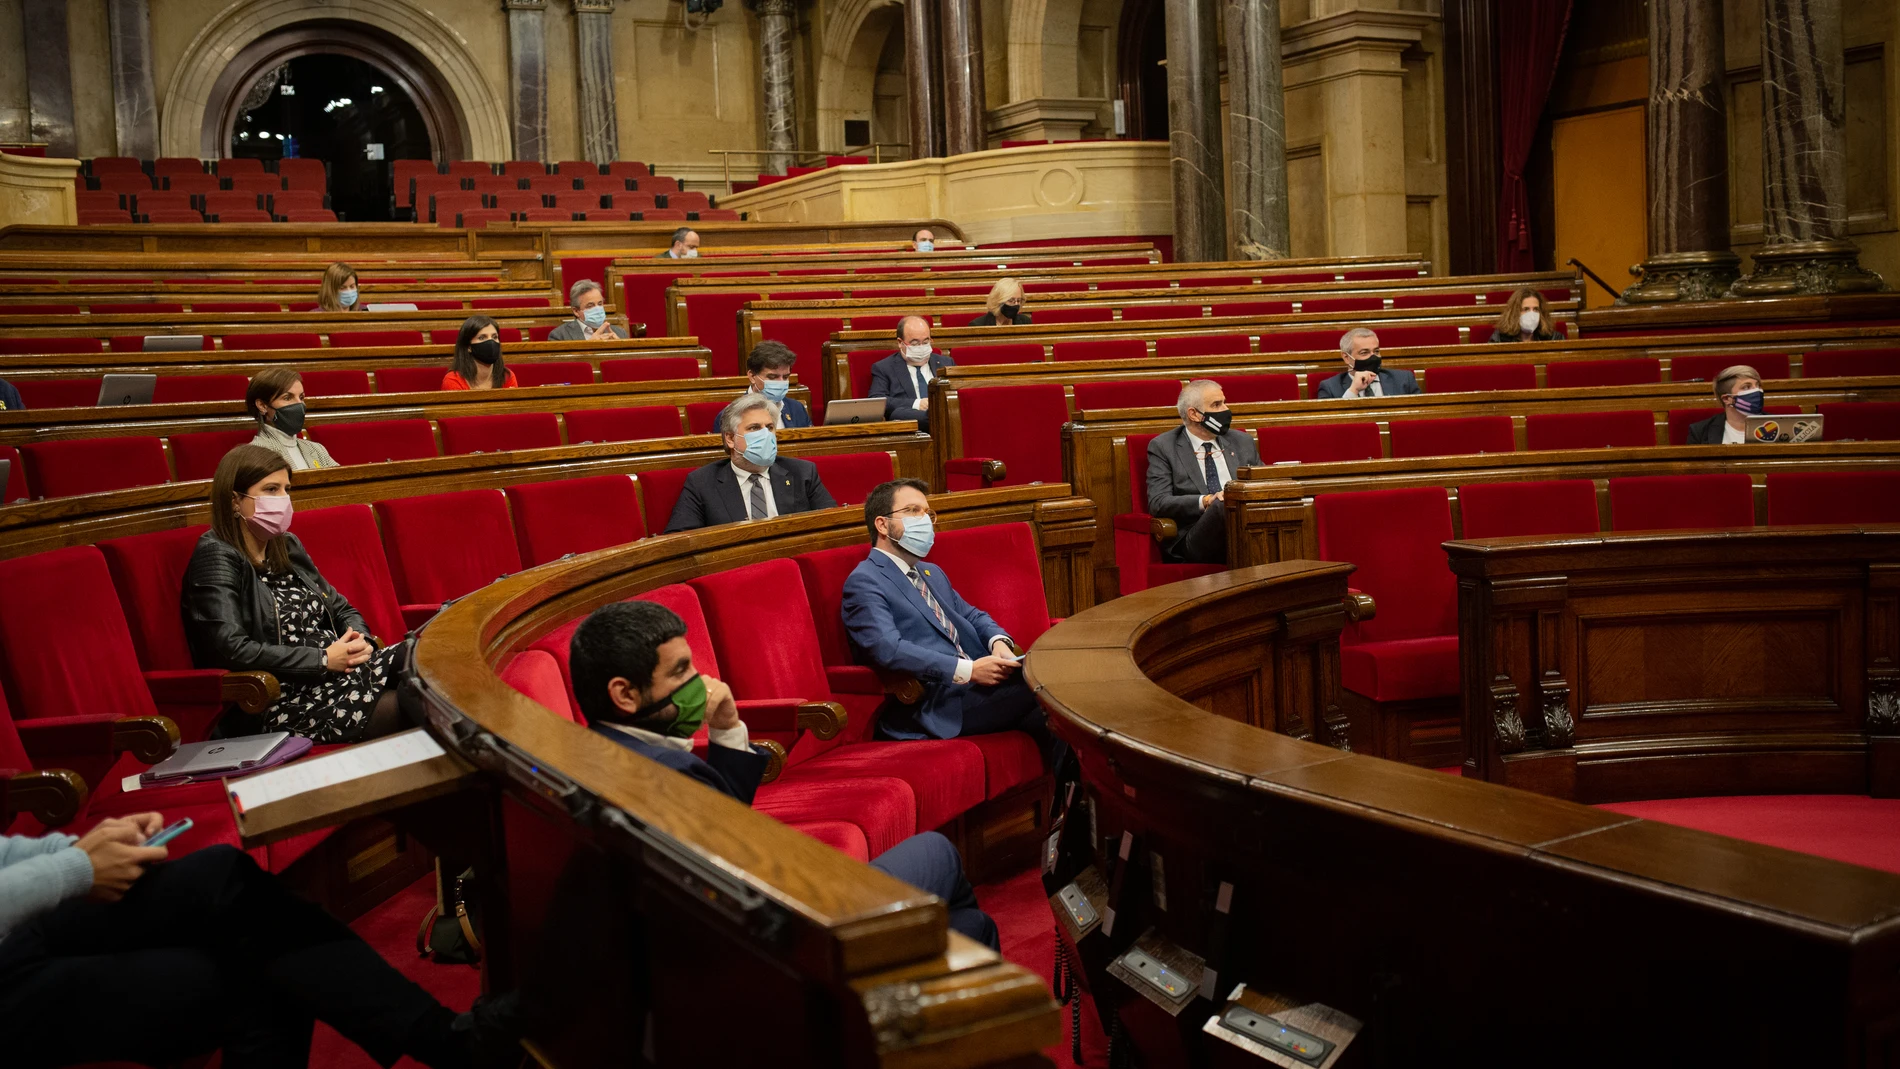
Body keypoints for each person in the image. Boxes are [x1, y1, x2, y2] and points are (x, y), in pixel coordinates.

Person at [568, 601, 999, 949]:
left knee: (968, 924)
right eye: (681, 672)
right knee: (938, 854)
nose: (701, 683)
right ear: (624, 694)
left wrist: (726, 722)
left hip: (747, 926)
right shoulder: (668, 778)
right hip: (792, 936)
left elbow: (724, 817)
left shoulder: (592, 752)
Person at [0, 818, 517, 1069]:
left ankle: (446, 1039)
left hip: (23, 916)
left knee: (221, 878)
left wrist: (84, 847)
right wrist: (76, 869)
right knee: (247, 973)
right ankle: (447, 1041)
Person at [183, 445, 406, 743]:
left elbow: (340, 609)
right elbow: (230, 648)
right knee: (413, 700)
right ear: (235, 500)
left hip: (336, 674)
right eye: (271, 489)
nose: (282, 500)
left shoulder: (285, 544)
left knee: (422, 655)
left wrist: (359, 643)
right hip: (282, 698)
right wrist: (322, 660)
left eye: (286, 489)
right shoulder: (215, 554)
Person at [840, 479, 1064, 770]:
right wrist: (969, 671)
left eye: (928, 514)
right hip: (939, 703)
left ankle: (1069, 809)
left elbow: (973, 615)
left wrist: (1000, 644)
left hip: (978, 692)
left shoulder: (929, 572)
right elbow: (887, 648)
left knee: (1058, 725)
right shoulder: (866, 580)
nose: (925, 521)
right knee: (1051, 688)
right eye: (913, 511)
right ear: (882, 525)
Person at [662, 392, 836, 532]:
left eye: (769, 428)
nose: (765, 435)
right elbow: (681, 541)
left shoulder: (803, 473)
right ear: (730, 438)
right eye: (754, 428)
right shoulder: (702, 483)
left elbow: (833, 525)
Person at [1146, 380, 1262, 565]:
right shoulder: (1164, 447)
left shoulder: (1242, 441)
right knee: (1224, 503)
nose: (1226, 409)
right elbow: (1158, 502)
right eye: (1217, 405)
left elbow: (1263, 483)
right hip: (1194, 534)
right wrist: (1207, 501)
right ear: (1194, 414)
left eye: (1224, 402)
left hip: (1245, 525)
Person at [867, 315, 953, 433]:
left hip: (948, 423)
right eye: (915, 343)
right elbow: (876, 400)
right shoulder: (884, 368)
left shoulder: (946, 363)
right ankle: (934, 416)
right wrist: (917, 403)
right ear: (900, 342)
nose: (921, 347)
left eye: (926, 341)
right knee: (898, 414)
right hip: (911, 427)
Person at [246, 368, 338, 471]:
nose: (299, 404)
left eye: (301, 397)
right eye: (287, 398)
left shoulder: (316, 449)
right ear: (262, 406)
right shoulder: (256, 454)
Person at [1315, 327, 1420, 399]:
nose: (1373, 357)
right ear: (1346, 358)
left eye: (1376, 351)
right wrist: (1353, 390)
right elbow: (1331, 422)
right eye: (1364, 352)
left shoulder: (1403, 379)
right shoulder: (1329, 387)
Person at [1687, 365, 1765, 444]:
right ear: (1727, 399)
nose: (1757, 391)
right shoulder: (1700, 432)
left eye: (1758, 385)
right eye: (1746, 387)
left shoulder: (1775, 424)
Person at [746, 339, 812, 428]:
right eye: (772, 377)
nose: (781, 382)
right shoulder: (732, 413)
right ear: (752, 376)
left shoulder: (797, 409)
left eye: (785, 377)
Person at [442, 316, 518, 391]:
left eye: (494, 337)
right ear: (469, 347)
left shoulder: (507, 376)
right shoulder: (453, 380)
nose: (491, 342)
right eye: (482, 338)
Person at [547, 280, 629, 342]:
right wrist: (589, 346)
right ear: (576, 311)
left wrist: (621, 348)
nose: (597, 309)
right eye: (590, 306)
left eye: (600, 304)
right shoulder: (559, 336)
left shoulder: (620, 333)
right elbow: (562, 364)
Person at [1487, 287, 1561, 343]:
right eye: (1526, 309)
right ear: (1515, 313)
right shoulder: (1500, 339)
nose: (1532, 314)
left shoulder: (1554, 338)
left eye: (1536, 309)